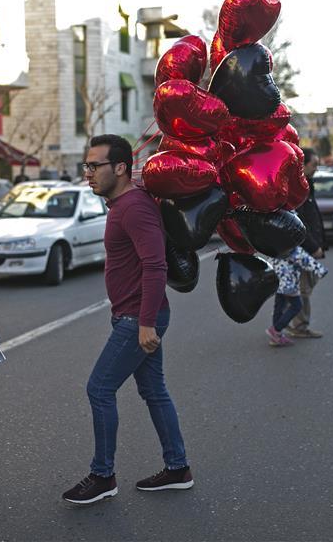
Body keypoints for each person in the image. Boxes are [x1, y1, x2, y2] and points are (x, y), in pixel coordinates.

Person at [62, 134, 192, 505]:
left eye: (94, 165)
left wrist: (147, 322)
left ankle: (103, 476)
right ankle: (177, 468)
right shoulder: (122, 203)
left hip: (138, 317)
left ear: (120, 168)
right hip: (135, 314)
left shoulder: (133, 206)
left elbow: (155, 265)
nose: (87, 173)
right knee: (154, 391)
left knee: (99, 389)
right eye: (85, 166)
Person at [285, 148, 327, 339]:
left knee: (306, 283)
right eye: (314, 164)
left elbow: (312, 218)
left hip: (306, 248)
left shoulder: (306, 185)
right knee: (303, 288)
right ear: (302, 165)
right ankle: (298, 325)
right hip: (300, 249)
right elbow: (299, 223)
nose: (316, 168)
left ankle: (290, 321)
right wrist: (313, 246)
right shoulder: (297, 189)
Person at [268, 245, 328, 347]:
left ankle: (276, 337)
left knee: (279, 307)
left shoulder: (275, 248)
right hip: (290, 284)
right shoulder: (294, 249)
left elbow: (270, 262)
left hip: (278, 282)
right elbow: (306, 261)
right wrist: (321, 270)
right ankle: (276, 329)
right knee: (297, 306)